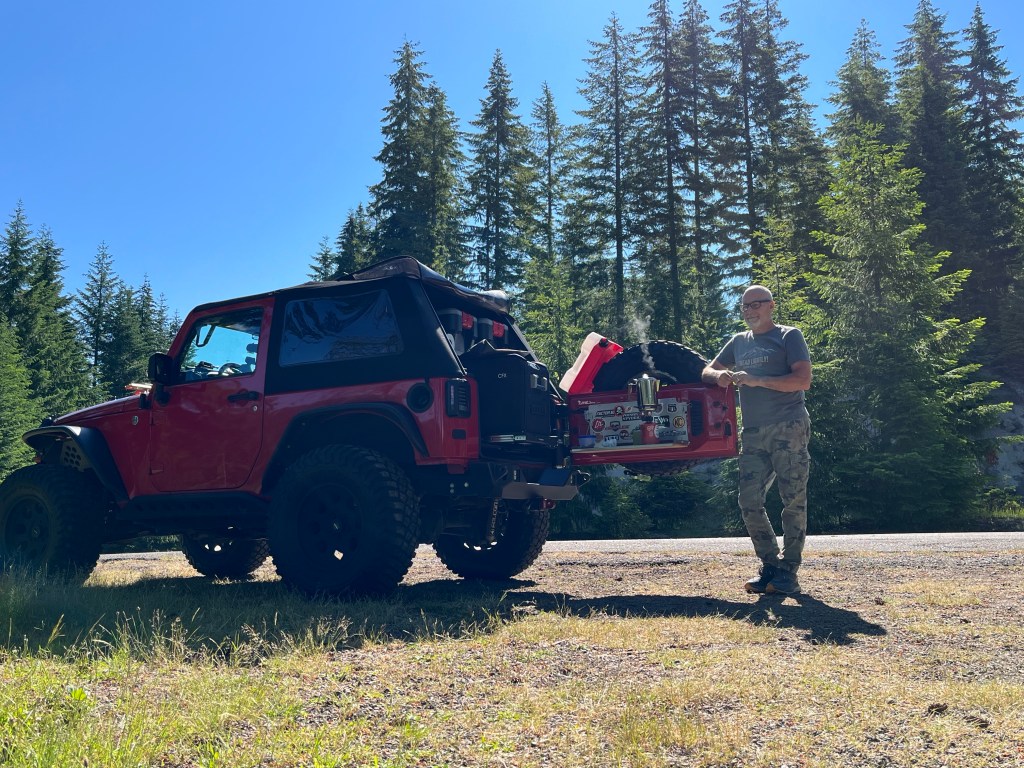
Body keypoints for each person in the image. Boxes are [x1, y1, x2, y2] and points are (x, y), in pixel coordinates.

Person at [702, 285, 812, 595]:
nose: (750, 311)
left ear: (771, 306)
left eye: (756, 304)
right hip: (752, 431)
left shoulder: (789, 336)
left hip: (789, 426)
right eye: (745, 306)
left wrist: (756, 380)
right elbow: (706, 370)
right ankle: (770, 566)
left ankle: (789, 571)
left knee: (793, 499)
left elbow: (803, 380)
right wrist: (719, 376)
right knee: (749, 500)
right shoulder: (739, 342)